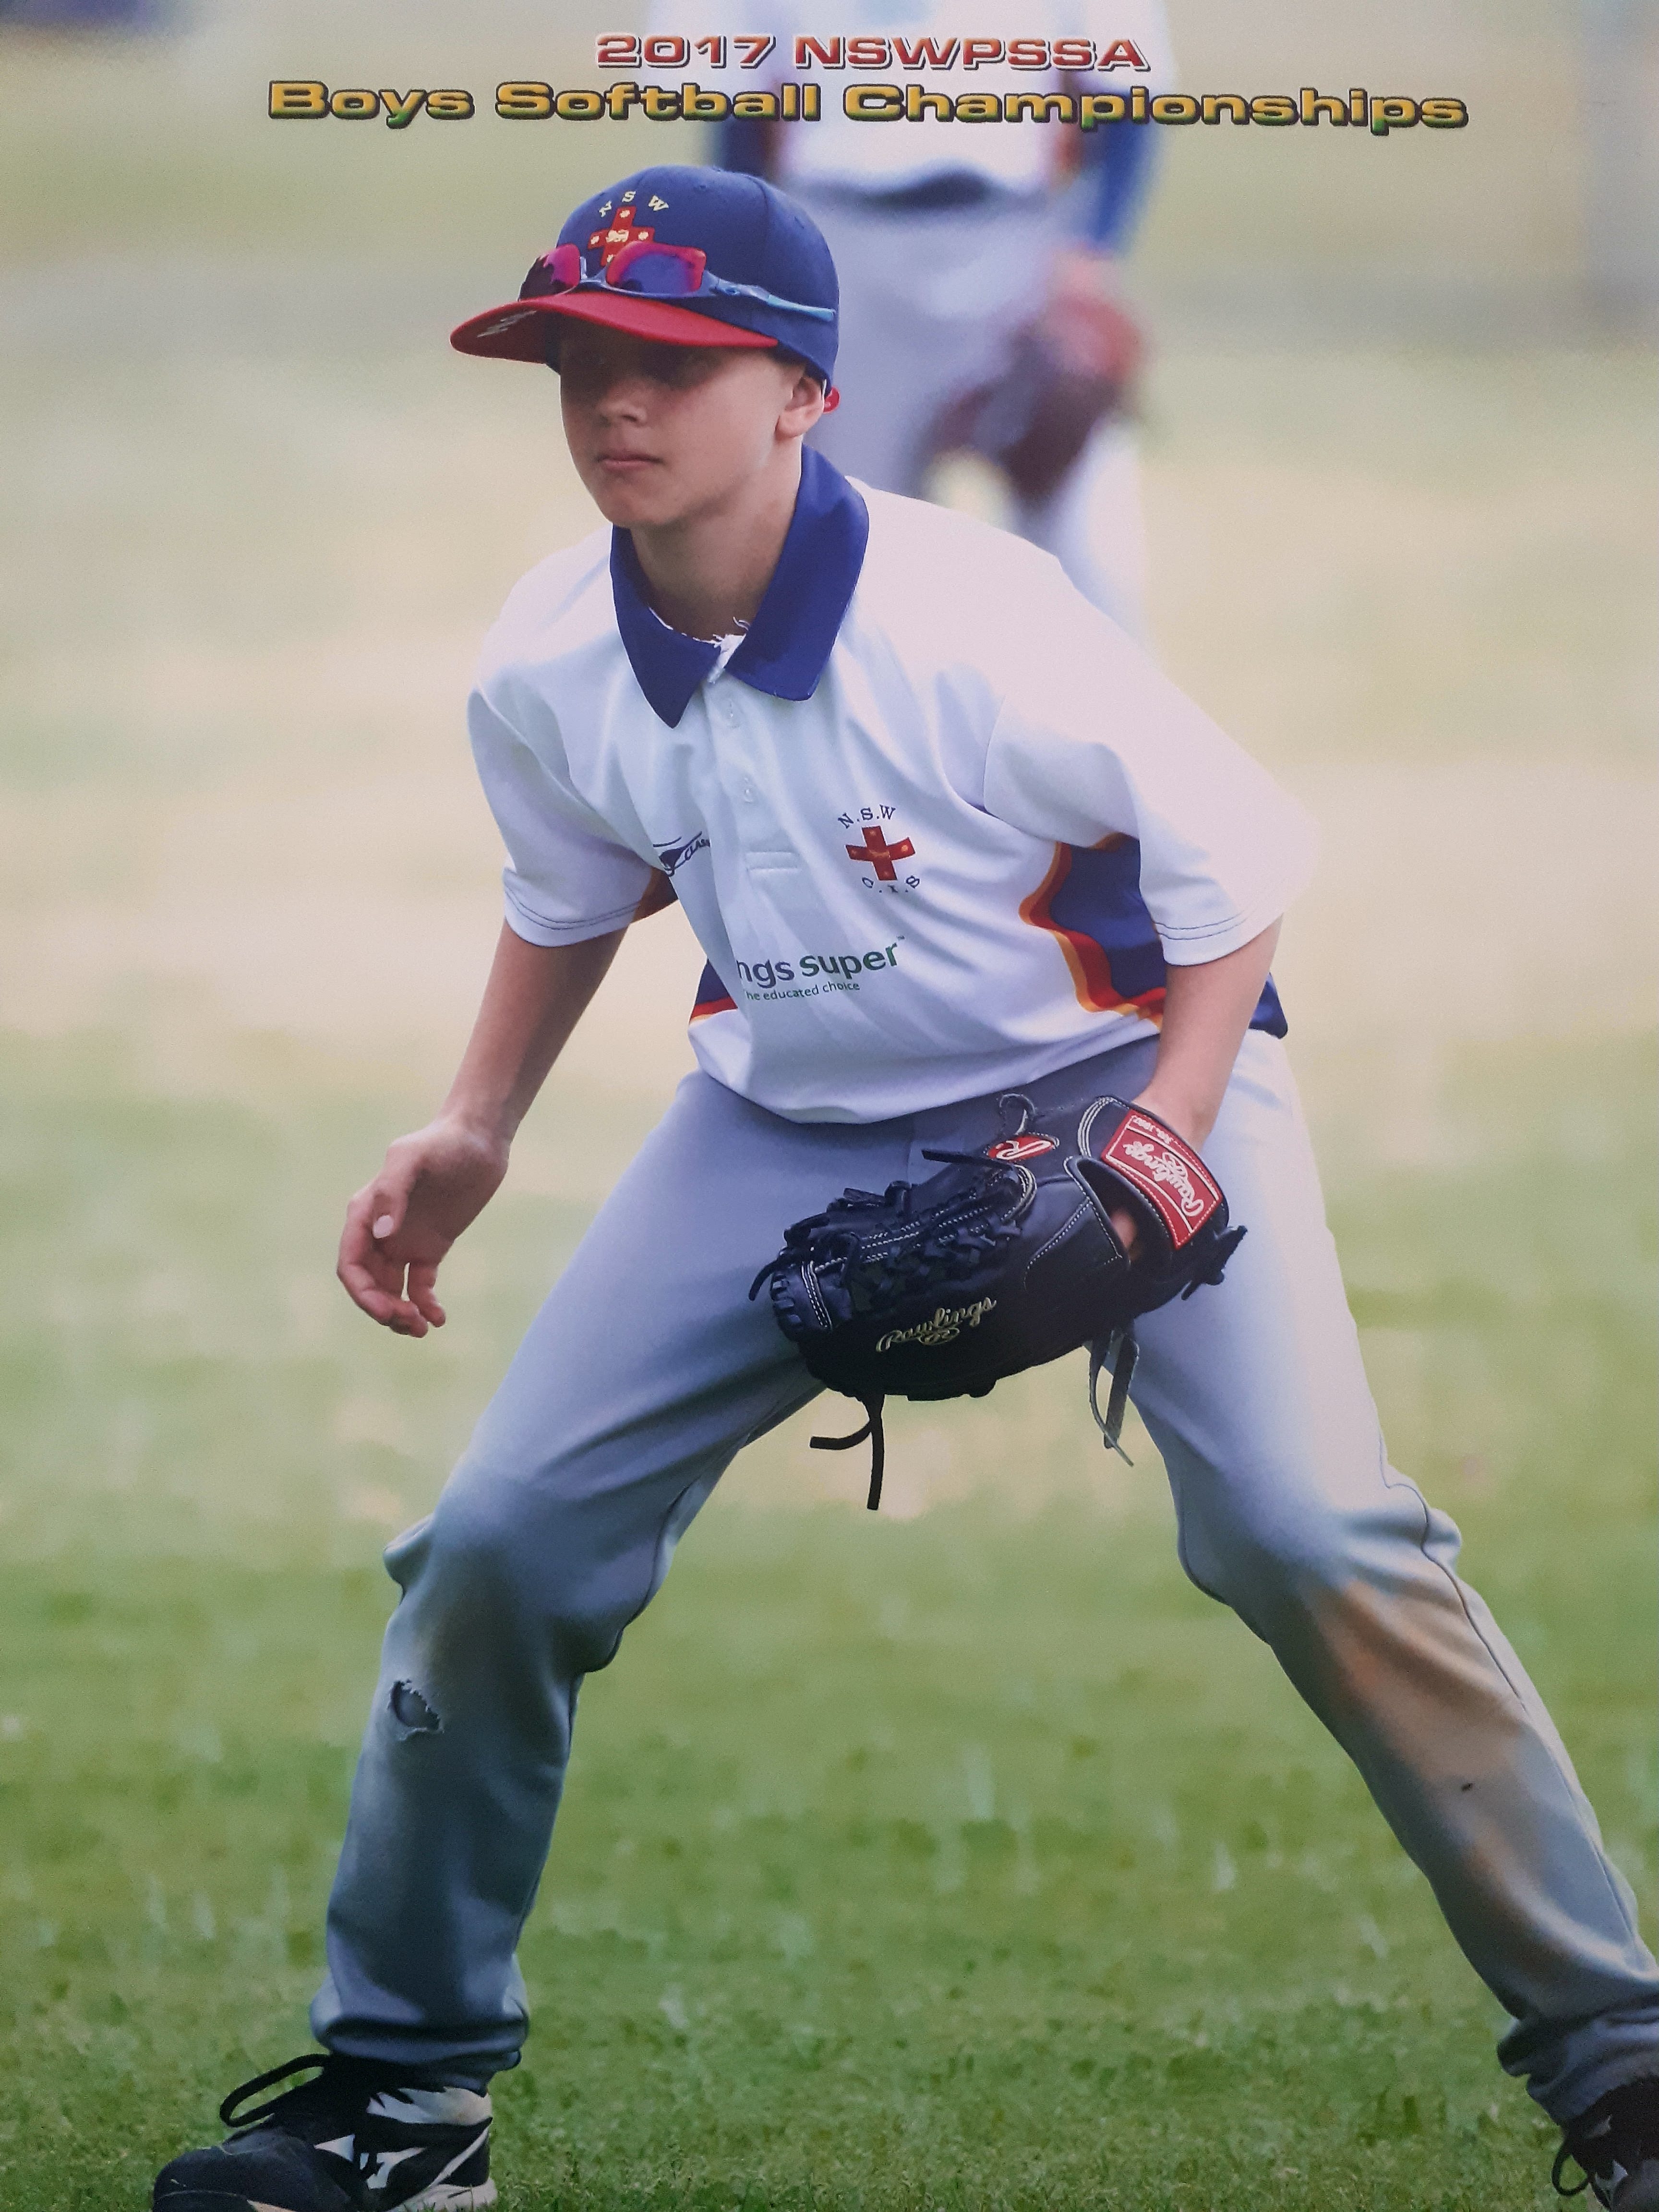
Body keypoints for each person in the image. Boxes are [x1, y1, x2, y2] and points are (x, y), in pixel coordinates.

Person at [153, 166, 1659, 2212]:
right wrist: (480, 1121)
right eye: (579, 359)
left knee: (1316, 1532)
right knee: (497, 1545)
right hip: (787, 1118)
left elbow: (1240, 872)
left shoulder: (972, 623)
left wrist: (1168, 1134)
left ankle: (1625, 2062)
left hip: (1116, 1065)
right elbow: (574, 882)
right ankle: (402, 2109)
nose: (615, 401)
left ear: (802, 394)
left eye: (674, 362)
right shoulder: (545, 658)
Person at [645, 0, 1173, 635]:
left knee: (1088, 548)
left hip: (1022, 245)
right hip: (837, 241)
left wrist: (1093, 249)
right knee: (855, 555)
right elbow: (725, 98)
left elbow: (1127, 88)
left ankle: (1105, 721)